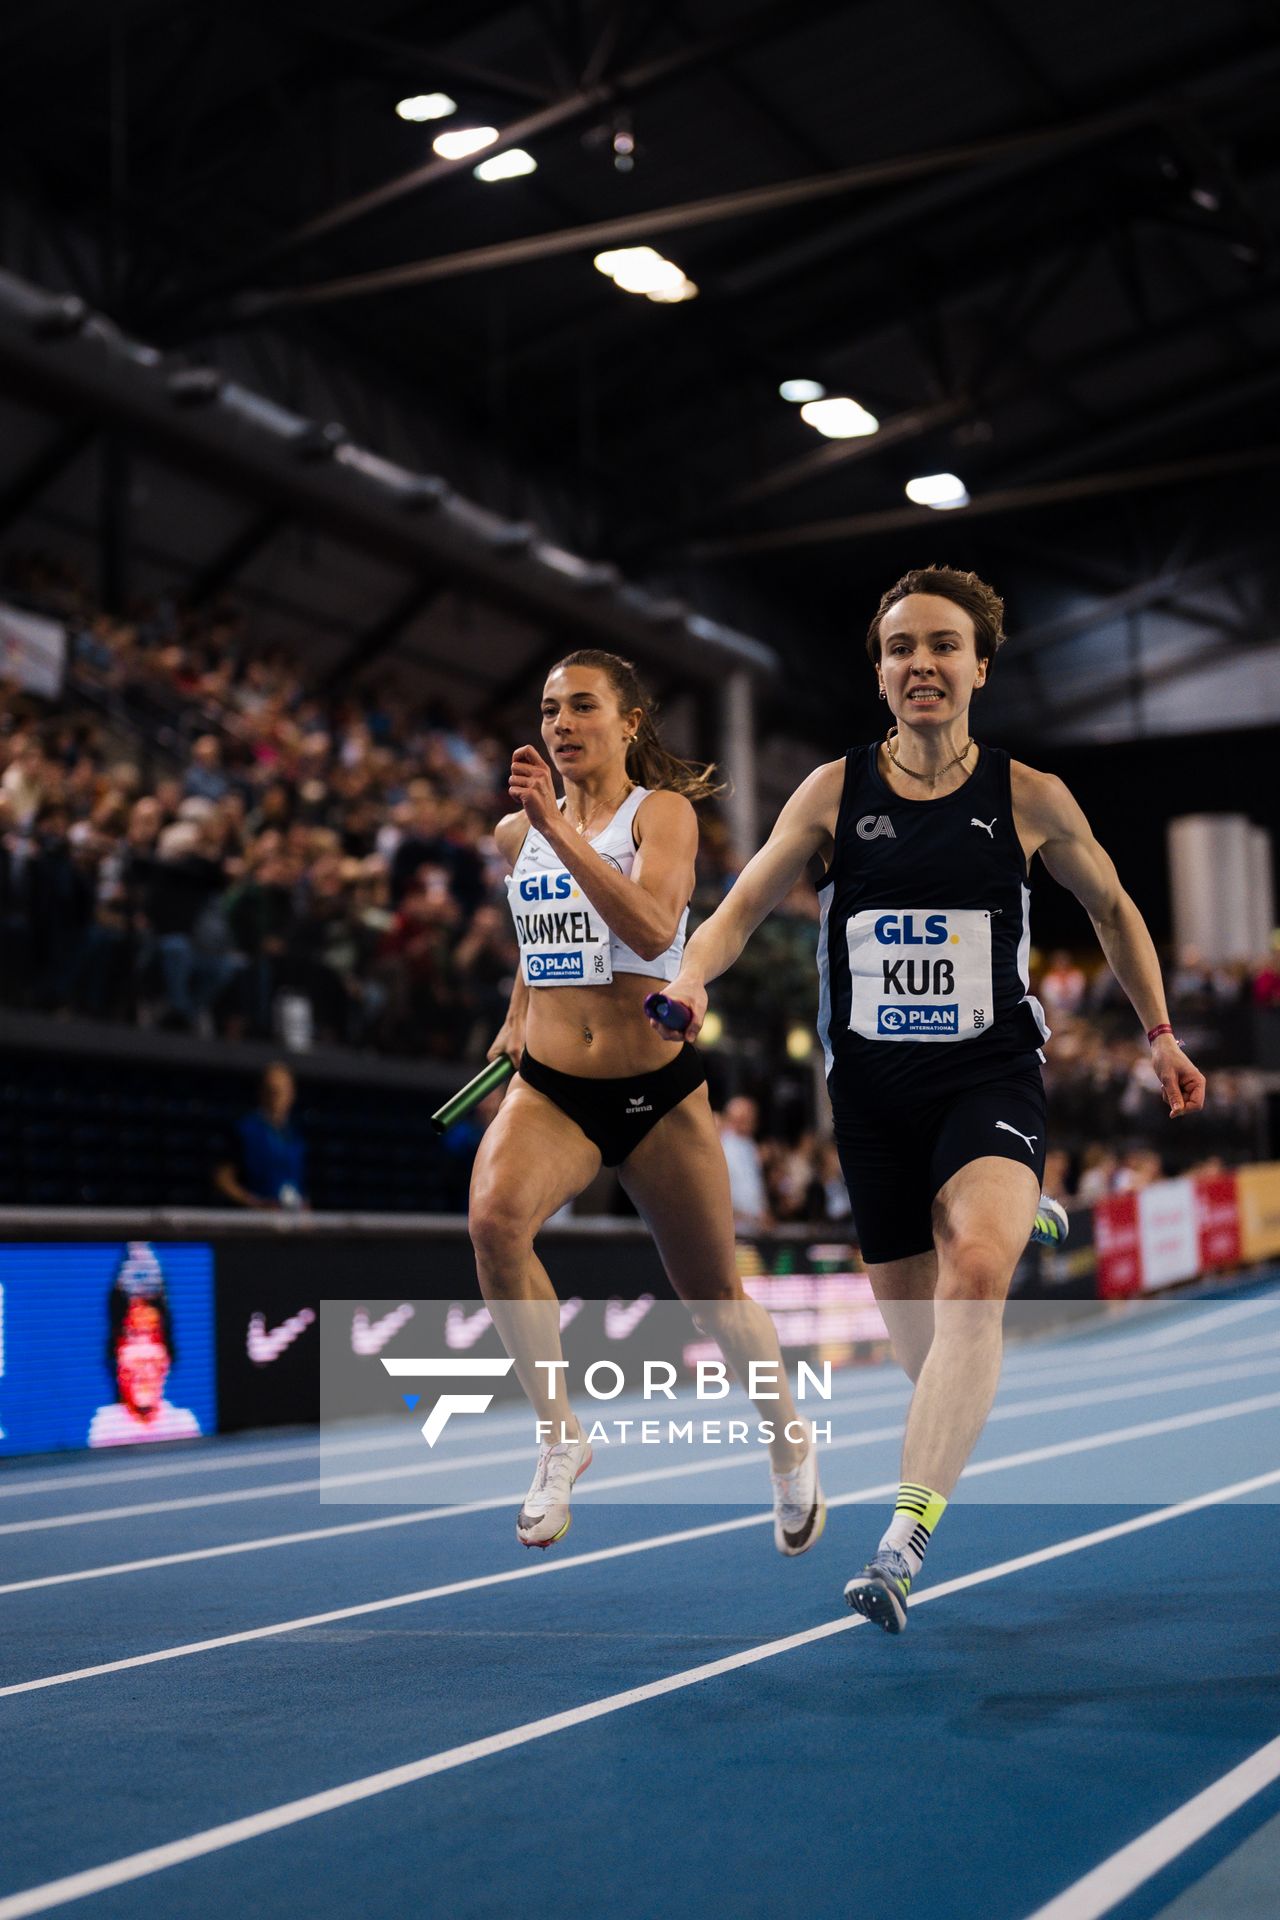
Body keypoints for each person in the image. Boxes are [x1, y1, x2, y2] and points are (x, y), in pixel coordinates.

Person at [652, 565, 1205, 1633]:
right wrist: (690, 978)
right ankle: (1018, 1207)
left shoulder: (1028, 795)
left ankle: (900, 1547)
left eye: (943, 645)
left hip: (986, 1074)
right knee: (930, 1357)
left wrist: (1160, 1034)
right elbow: (742, 904)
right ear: (878, 672)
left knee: (978, 1278)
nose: (921, 663)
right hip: (870, 1102)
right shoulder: (832, 791)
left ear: (979, 667)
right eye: (900, 647)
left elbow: (1113, 909)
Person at [471, 648, 825, 1553]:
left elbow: (654, 924)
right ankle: (560, 1437)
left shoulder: (659, 813)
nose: (560, 723)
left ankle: (787, 1442)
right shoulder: (516, 836)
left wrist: (555, 830)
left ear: (628, 723)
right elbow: (540, 937)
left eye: (582, 706)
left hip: (655, 1093)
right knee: (495, 1223)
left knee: (712, 1296)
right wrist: (516, 1015)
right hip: (554, 1089)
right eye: (549, 709)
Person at [88, 1242, 201, 1447]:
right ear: (116, 1354)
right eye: (133, 1336)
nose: (144, 1358)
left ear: (168, 1357)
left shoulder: (184, 1423)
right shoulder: (104, 1427)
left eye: (153, 1337)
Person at [214, 1061, 308, 1209]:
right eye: (272, 1090)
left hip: (290, 1215)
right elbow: (222, 1179)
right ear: (261, 1092)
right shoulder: (244, 1130)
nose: (277, 1097)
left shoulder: (295, 1134)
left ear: (292, 1094)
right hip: (255, 1217)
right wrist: (253, 1202)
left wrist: (303, 1205)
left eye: (282, 1091)